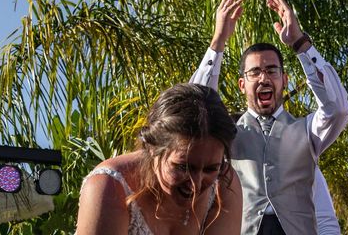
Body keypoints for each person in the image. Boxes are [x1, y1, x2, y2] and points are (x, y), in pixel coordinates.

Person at [190, 0, 348, 234]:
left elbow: (337, 108)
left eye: (271, 70)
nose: (264, 78)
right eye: (254, 72)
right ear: (242, 84)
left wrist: (299, 43)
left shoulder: (308, 130)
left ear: (284, 80)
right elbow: (194, 107)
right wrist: (218, 41)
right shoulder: (227, 132)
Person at [76, 83, 243, 235]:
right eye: (183, 167)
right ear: (152, 149)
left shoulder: (224, 183)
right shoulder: (109, 187)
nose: (196, 183)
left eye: (210, 169)